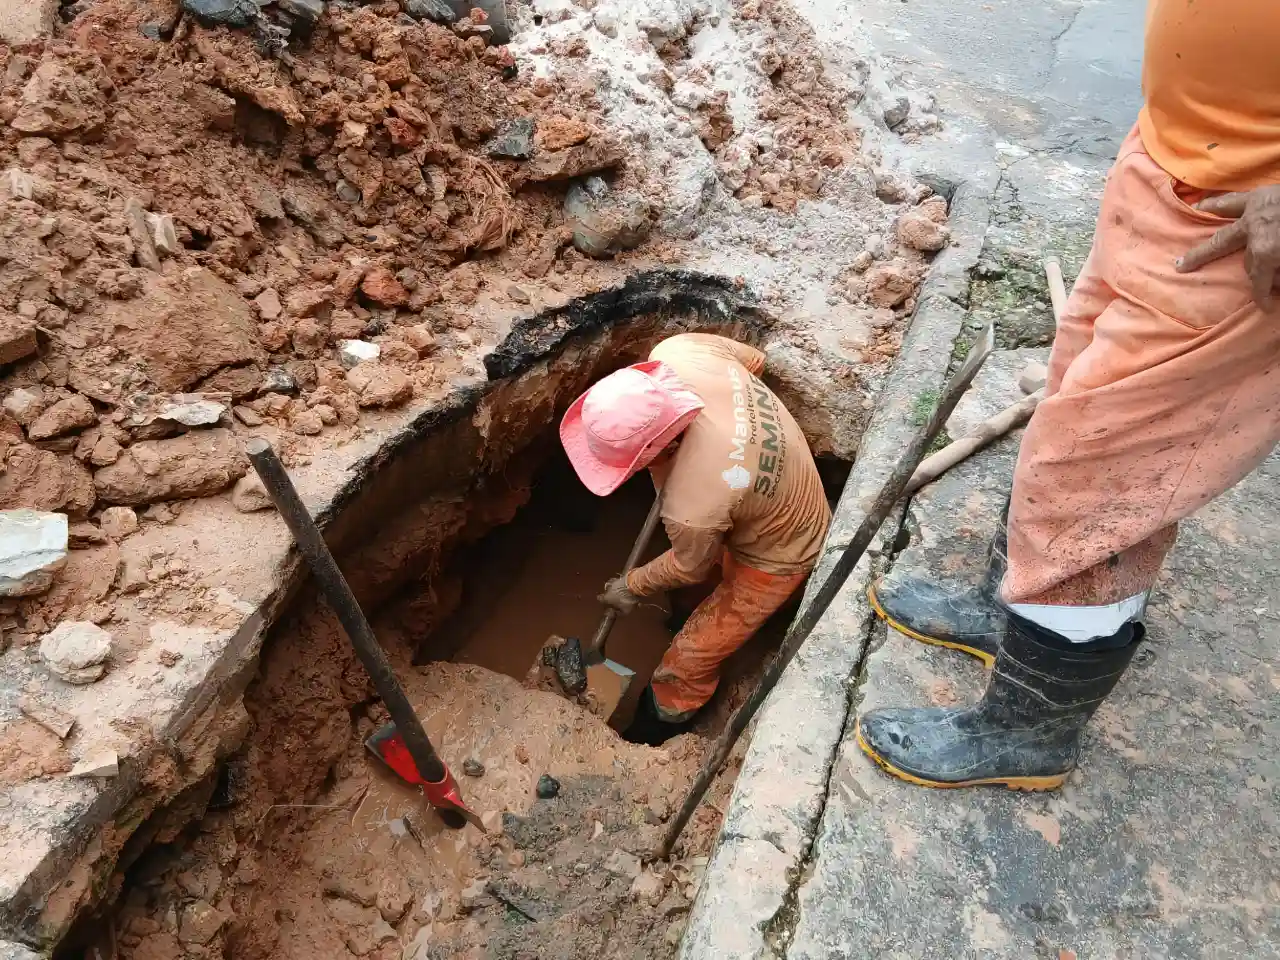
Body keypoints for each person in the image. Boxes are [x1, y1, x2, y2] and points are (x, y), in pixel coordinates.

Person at [856, 0, 1280, 790]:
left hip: (1246, 236)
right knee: (1068, 411)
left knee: (1099, 488)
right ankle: (1009, 611)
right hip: (1175, 165)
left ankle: (1028, 734)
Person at [559, 333, 832, 745]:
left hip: (783, 550)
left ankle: (659, 725)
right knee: (692, 587)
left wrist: (631, 586)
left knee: (688, 659)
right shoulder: (681, 353)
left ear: (666, 446)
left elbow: (689, 566)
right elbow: (754, 362)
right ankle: (681, 617)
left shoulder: (693, 504)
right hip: (760, 495)